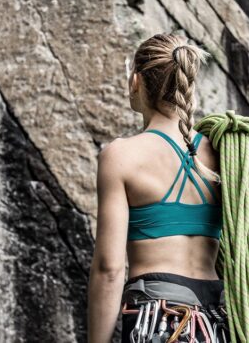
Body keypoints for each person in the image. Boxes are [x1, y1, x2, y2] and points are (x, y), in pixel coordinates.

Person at [87, 33, 230, 343]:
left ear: (136, 82)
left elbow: (109, 269)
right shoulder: (224, 153)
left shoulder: (121, 156)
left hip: (158, 319)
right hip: (217, 322)